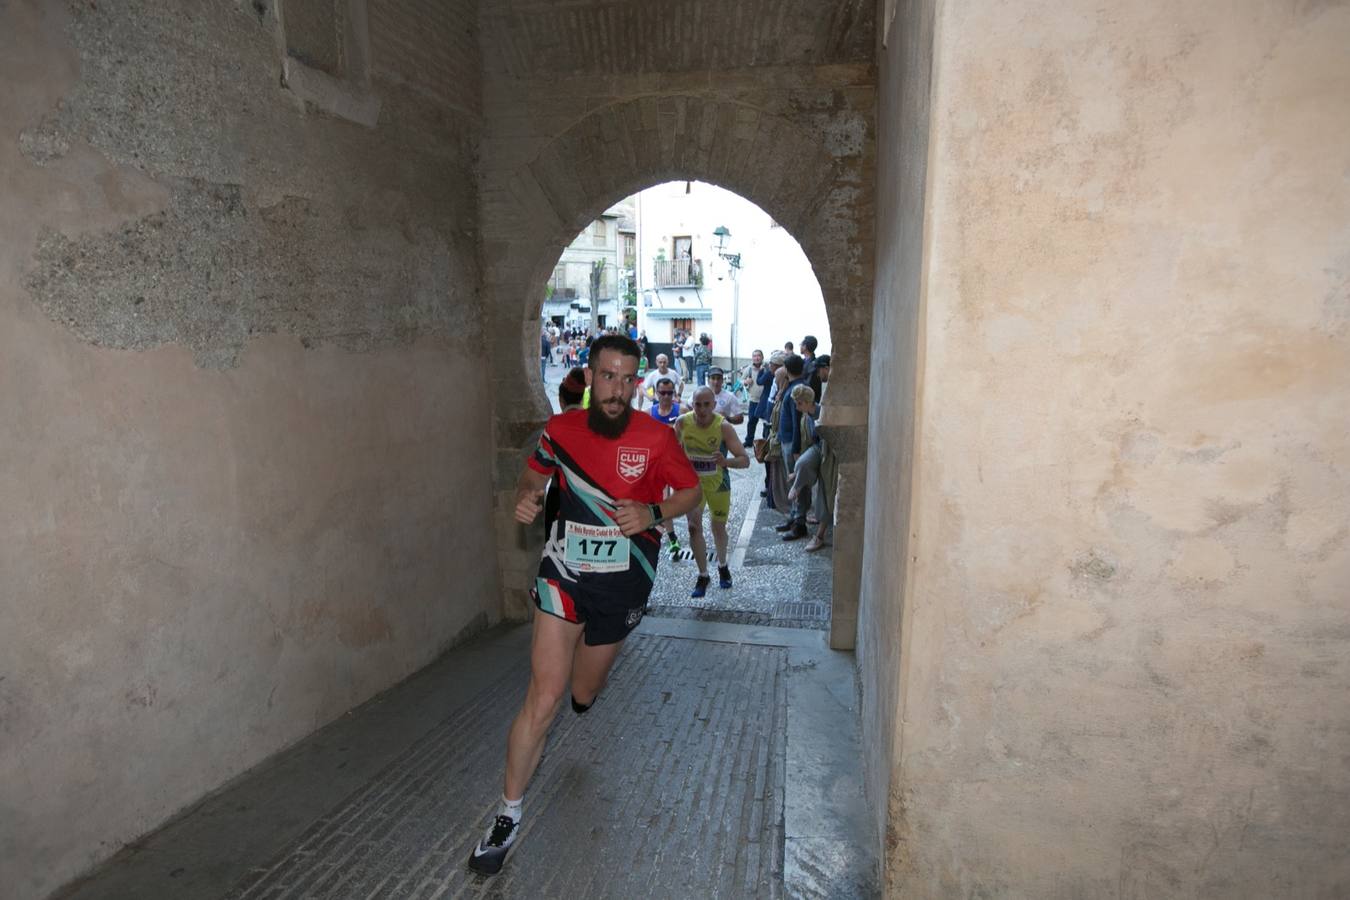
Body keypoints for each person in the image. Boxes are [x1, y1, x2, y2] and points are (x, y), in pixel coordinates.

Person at [469, 335, 701, 877]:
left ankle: (582, 689)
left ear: (636, 382)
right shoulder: (561, 430)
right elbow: (535, 471)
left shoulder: (658, 436)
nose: (617, 390)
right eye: (608, 377)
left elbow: (689, 492)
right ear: (590, 376)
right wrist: (528, 494)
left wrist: (652, 511)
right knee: (544, 695)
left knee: (581, 690)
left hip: (623, 584)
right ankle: (507, 815)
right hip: (564, 573)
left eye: (627, 379)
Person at [675, 386, 750, 597]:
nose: (702, 409)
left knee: (718, 529)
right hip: (693, 485)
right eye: (698, 405)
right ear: (693, 405)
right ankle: (703, 574)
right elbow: (670, 454)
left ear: (714, 405)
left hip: (718, 484)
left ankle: (723, 565)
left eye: (707, 404)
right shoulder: (682, 423)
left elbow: (744, 460)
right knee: (692, 527)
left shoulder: (723, 427)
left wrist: (724, 461)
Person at [739, 350, 766, 443]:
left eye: (758, 356)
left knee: (766, 423)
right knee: (751, 422)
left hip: (764, 401)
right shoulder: (749, 369)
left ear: (762, 357)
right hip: (753, 400)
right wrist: (745, 382)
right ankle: (749, 440)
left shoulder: (766, 368)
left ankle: (765, 442)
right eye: (754, 356)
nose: (756, 358)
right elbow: (741, 380)